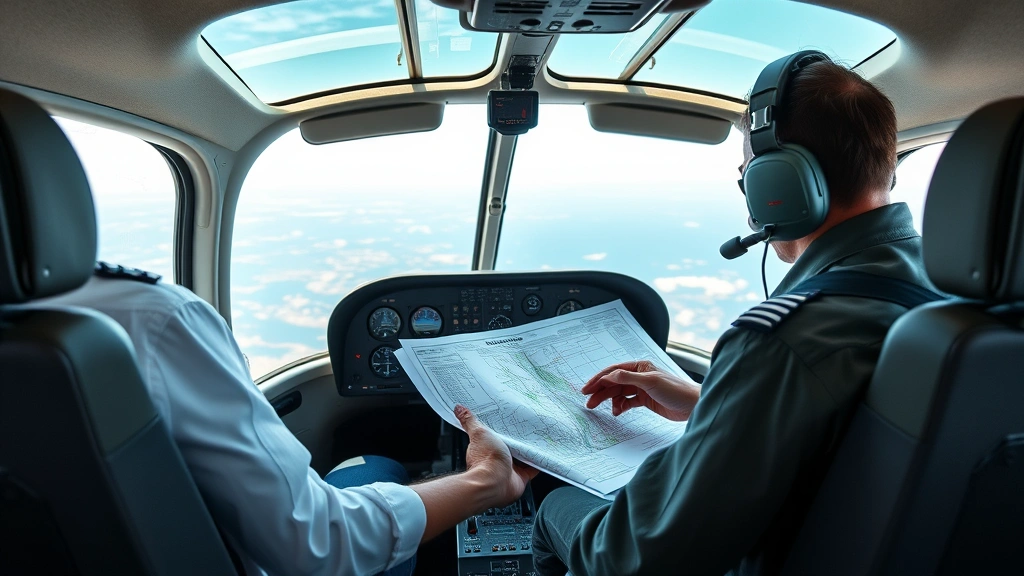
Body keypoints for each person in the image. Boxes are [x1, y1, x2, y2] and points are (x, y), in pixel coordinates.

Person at [530, 55, 935, 575]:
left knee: (552, 511)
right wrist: (708, 403)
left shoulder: (788, 339)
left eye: (747, 175)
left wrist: (554, 506)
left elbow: (635, 562)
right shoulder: (946, 291)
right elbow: (857, 432)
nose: (747, 193)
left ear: (781, 181)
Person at [39, 264, 536, 576]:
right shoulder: (152, 318)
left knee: (366, 463)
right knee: (378, 463)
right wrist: (484, 483)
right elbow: (314, 546)